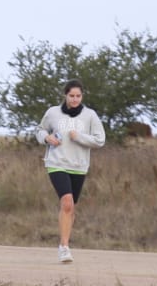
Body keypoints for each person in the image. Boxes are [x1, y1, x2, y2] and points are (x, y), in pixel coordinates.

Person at [36, 80, 105, 264]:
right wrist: (47, 138)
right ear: (65, 96)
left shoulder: (89, 115)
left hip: (79, 166)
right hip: (56, 163)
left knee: (71, 207)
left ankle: (65, 241)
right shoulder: (53, 113)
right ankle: (64, 247)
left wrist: (80, 137)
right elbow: (40, 130)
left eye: (78, 96)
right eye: (71, 96)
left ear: (82, 96)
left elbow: (100, 140)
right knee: (66, 202)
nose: (74, 99)